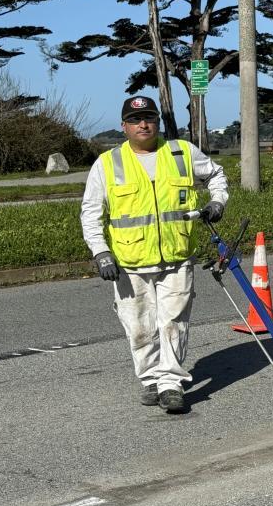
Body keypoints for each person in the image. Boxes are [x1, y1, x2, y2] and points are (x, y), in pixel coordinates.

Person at [80, 95, 229, 414]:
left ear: (157, 123)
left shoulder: (182, 152)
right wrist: (101, 252)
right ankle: (150, 378)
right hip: (128, 264)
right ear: (124, 126)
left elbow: (216, 175)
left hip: (177, 258)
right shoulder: (107, 164)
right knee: (139, 326)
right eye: (135, 120)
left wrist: (217, 202)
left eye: (149, 118)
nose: (142, 124)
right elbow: (91, 213)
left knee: (173, 322)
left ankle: (171, 383)